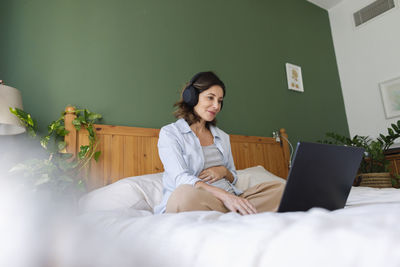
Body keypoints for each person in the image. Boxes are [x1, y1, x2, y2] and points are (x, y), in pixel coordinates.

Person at [153, 71, 284, 215]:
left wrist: (224, 172)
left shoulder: (223, 137)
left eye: (220, 101)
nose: (216, 106)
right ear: (192, 97)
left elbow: (233, 178)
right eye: (210, 98)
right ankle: (237, 213)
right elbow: (180, 178)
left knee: (282, 189)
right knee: (183, 195)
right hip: (200, 200)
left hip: (232, 199)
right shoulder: (170, 133)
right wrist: (225, 197)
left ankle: (237, 211)